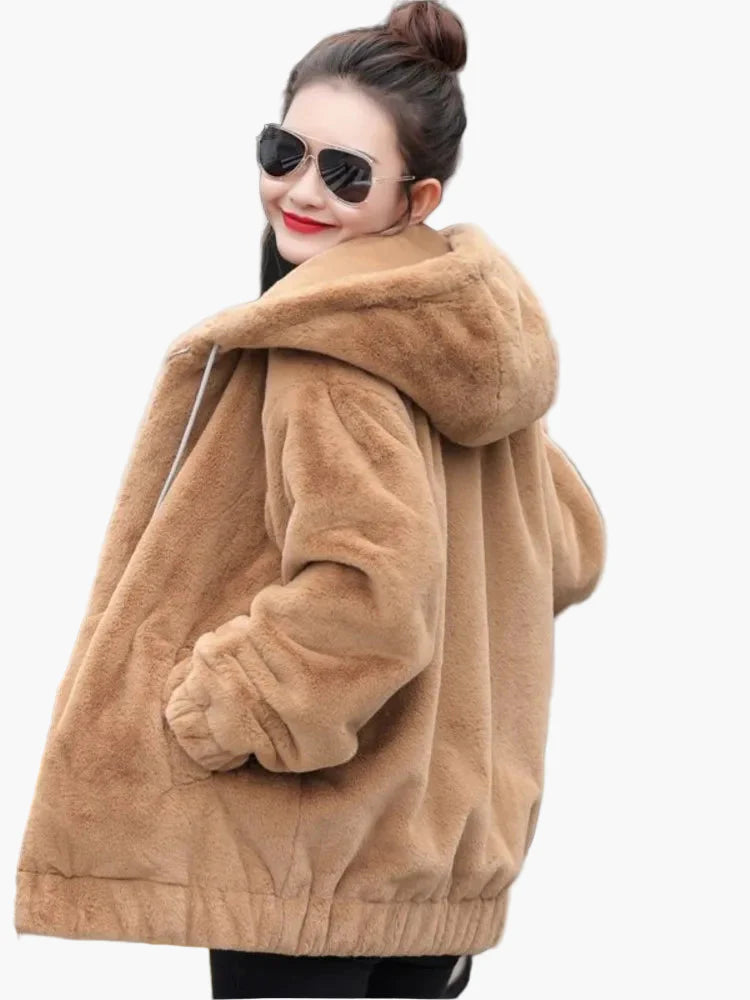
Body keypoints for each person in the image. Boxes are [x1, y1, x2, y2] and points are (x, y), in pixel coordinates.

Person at [14, 2, 606, 998]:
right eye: (284, 151)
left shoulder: (330, 352)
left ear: (417, 198)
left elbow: (372, 592)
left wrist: (229, 703)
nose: (300, 190)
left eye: (347, 173)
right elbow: (571, 544)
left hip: (307, 856)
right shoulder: (463, 341)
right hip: (435, 857)